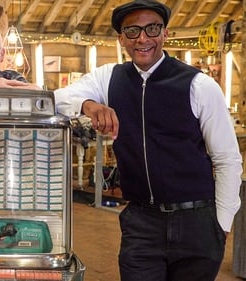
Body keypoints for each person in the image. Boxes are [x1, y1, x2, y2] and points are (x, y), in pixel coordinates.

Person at [54, 0, 242, 280]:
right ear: (122, 39)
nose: (143, 38)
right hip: (142, 222)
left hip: (197, 221)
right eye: (132, 31)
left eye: (152, 28)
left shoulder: (198, 85)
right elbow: (56, 99)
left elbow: (227, 158)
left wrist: (221, 224)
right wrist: (88, 105)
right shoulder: (110, 78)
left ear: (165, 34)